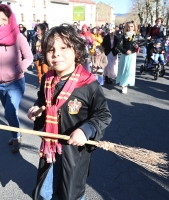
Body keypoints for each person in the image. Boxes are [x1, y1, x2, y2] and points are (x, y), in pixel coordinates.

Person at [27, 24, 112, 200]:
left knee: (71, 193)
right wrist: (37, 109)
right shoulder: (47, 80)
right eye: (50, 49)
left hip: (74, 153)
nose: (56, 53)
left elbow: (103, 114)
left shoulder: (89, 84)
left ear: (77, 50)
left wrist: (86, 130)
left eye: (63, 47)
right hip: (50, 149)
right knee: (45, 191)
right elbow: (43, 101)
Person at [0, 4, 33, 153]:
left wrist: (16, 70)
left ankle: (17, 137)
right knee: (9, 112)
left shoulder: (18, 36)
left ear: (9, 19)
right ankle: (15, 134)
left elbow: (29, 57)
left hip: (16, 83)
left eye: (3, 19)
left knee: (10, 112)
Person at [116, 21, 146, 94]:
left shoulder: (137, 35)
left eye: (132, 26)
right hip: (124, 54)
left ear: (134, 27)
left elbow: (145, 41)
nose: (130, 28)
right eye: (128, 26)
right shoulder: (123, 35)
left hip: (132, 55)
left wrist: (138, 45)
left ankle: (125, 85)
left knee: (129, 71)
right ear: (126, 27)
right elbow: (118, 45)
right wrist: (125, 51)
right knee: (123, 69)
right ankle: (123, 84)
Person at [31, 23, 49, 88]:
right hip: (37, 56)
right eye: (37, 29)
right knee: (39, 71)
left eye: (38, 29)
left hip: (44, 56)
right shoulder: (34, 38)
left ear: (42, 30)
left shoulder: (46, 38)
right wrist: (33, 56)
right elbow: (33, 48)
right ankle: (41, 84)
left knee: (45, 70)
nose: (37, 31)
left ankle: (47, 83)